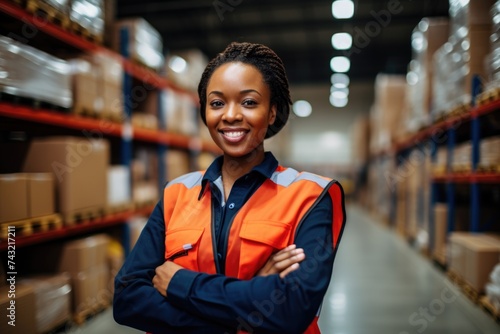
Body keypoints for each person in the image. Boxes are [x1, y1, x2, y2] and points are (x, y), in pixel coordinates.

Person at [113, 41, 346, 334]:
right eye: (217, 103)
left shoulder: (311, 197)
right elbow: (127, 299)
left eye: (249, 102)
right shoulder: (177, 193)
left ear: (272, 112)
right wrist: (248, 300)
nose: (231, 115)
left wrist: (180, 283)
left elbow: (291, 309)